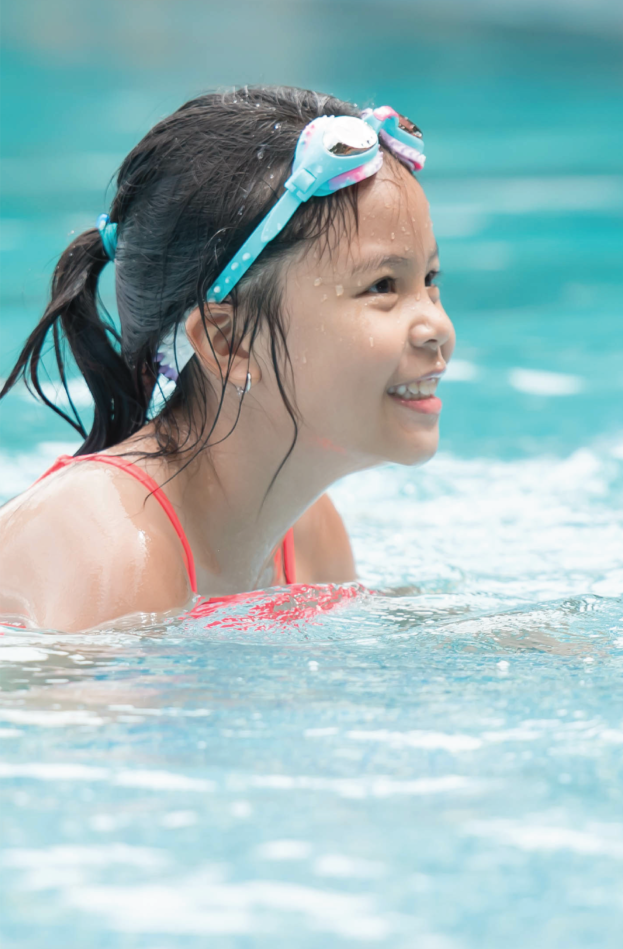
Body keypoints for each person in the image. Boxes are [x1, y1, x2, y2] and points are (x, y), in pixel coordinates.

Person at [0, 86, 454, 632]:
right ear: (227, 343)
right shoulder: (115, 550)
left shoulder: (306, 536)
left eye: (428, 281)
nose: (437, 328)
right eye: (382, 285)